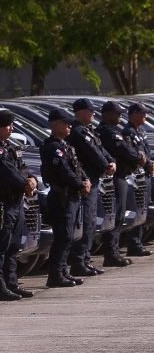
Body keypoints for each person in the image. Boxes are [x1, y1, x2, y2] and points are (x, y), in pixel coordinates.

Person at [0, 109, 37, 301]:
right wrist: (25, 184)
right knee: (2, 246)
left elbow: (22, 167)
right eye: (7, 125)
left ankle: (12, 283)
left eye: (11, 125)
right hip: (3, 201)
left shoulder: (10, 147)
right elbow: (8, 171)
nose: (11, 129)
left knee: (14, 245)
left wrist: (31, 180)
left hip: (16, 200)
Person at [40, 108, 90, 287]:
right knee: (63, 236)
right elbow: (64, 170)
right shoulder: (53, 147)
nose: (69, 126)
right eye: (65, 123)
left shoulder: (66, 145)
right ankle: (55, 275)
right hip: (62, 196)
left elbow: (76, 167)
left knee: (68, 237)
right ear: (55, 125)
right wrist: (80, 184)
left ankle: (63, 271)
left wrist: (85, 180)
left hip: (72, 196)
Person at [67, 98, 114, 276]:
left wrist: (111, 161)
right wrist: (105, 165)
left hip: (93, 180)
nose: (94, 113)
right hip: (85, 181)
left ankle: (85, 259)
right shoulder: (78, 131)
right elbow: (91, 152)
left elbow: (101, 149)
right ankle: (79, 262)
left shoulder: (88, 130)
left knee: (91, 222)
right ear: (80, 112)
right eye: (90, 110)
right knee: (85, 221)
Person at [97, 101, 136, 266]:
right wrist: (137, 156)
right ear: (107, 114)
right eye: (117, 113)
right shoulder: (107, 132)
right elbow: (125, 150)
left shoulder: (115, 130)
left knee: (118, 216)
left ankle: (113, 251)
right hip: (115, 177)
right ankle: (111, 254)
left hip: (121, 176)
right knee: (115, 215)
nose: (120, 116)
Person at [121, 102, 153, 257]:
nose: (145, 116)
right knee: (136, 209)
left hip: (144, 175)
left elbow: (146, 152)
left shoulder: (140, 131)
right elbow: (134, 154)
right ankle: (133, 244)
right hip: (136, 176)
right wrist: (147, 163)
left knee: (142, 209)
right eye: (142, 113)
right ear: (133, 114)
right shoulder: (128, 132)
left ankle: (137, 243)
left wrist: (150, 163)